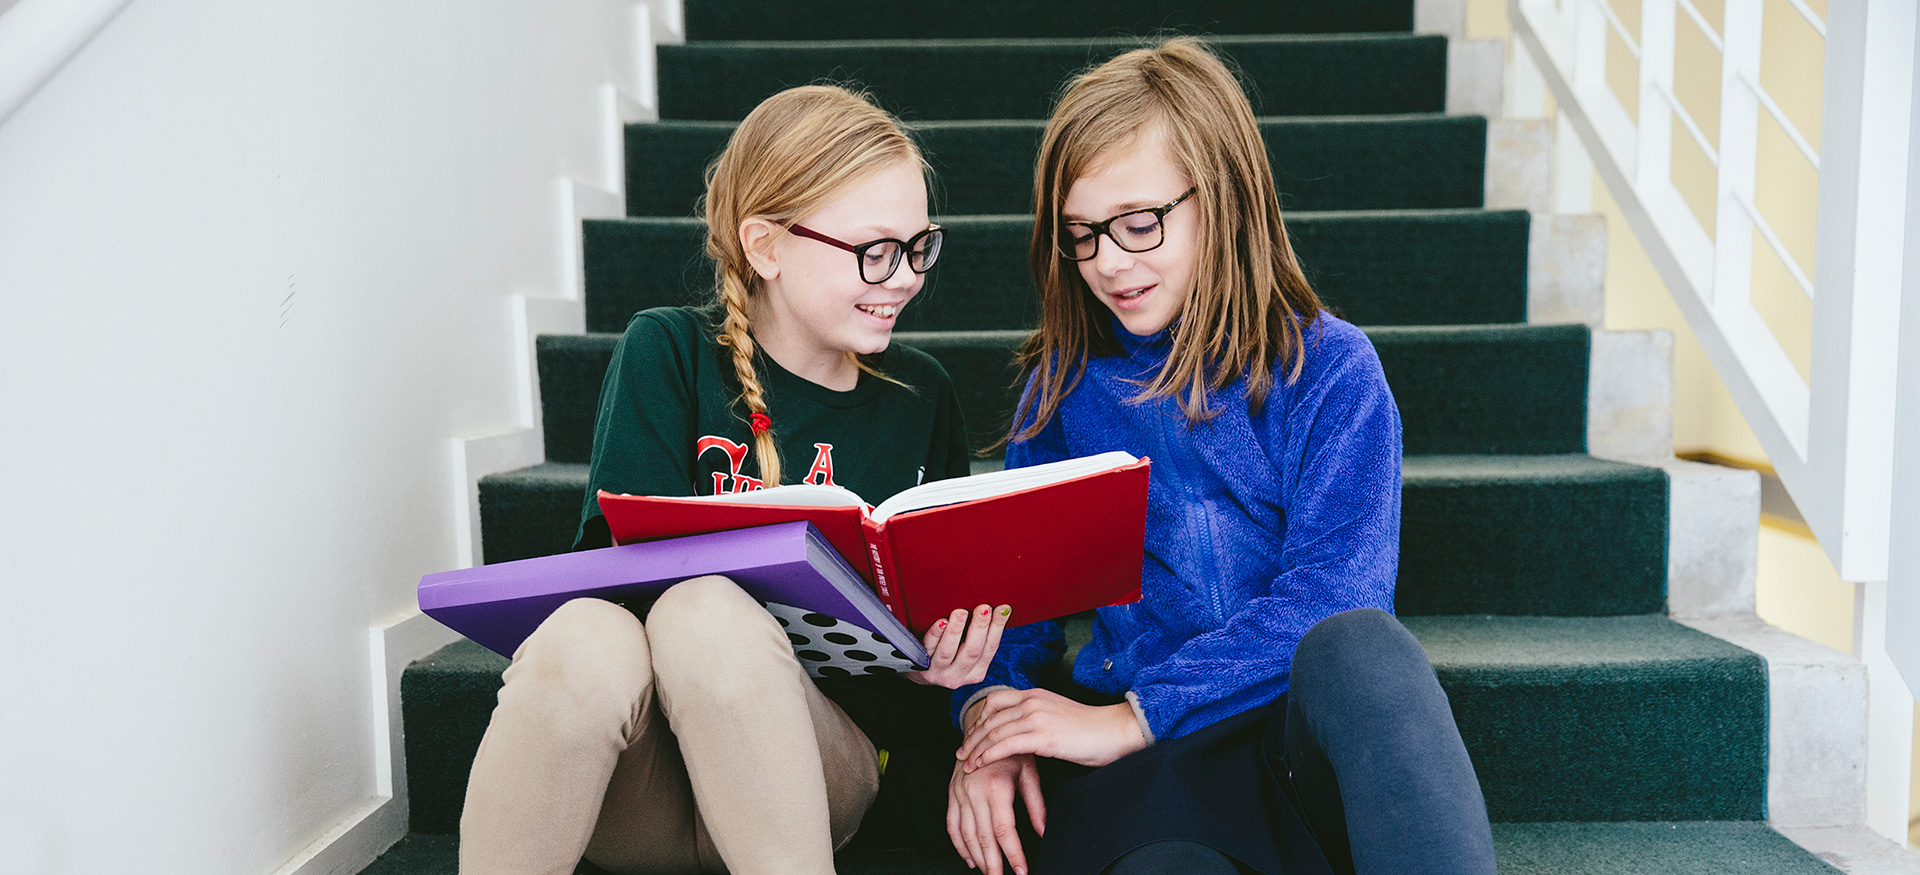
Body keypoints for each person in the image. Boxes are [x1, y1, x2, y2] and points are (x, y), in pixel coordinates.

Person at [942, 39, 1500, 875]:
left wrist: (1139, 711)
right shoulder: (1060, 391)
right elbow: (1017, 619)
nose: (1110, 262)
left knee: (1363, 647)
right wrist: (987, 722)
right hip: (1148, 777)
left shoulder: (1332, 370)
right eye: (1083, 235)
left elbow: (1337, 590)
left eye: (1139, 224)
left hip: (1280, 739)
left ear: (1225, 199)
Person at [457, 84, 1014, 875]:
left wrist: (941, 655)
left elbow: (927, 616)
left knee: (708, 608)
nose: (903, 278)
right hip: (645, 784)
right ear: (766, 245)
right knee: (595, 632)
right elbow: (608, 580)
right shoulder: (667, 351)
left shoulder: (921, 395)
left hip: (817, 772)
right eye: (874, 250)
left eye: (919, 246)